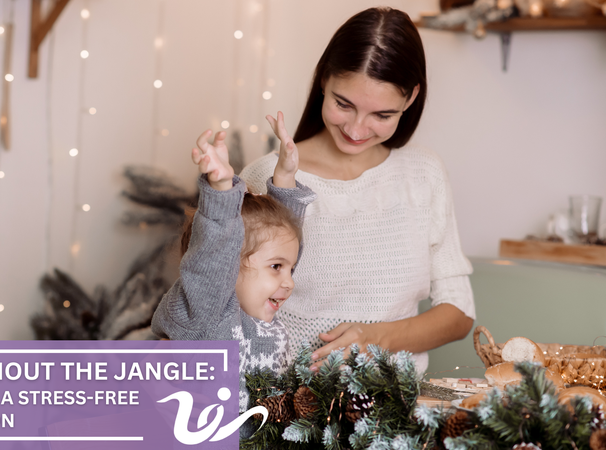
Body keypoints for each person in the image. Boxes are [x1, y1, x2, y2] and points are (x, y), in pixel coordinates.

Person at [240, 7, 475, 376]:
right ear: (323, 81)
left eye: (382, 115)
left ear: (411, 98)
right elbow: (225, 307)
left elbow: (459, 314)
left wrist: (375, 337)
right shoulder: (268, 177)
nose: (356, 129)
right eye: (343, 104)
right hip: (283, 412)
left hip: (395, 418)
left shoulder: (423, 173)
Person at [151, 122, 316, 411]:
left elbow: (276, 242)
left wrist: (286, 179)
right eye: (277, 267)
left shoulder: (263, 322)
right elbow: (213, 260)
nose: (289, 281)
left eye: (290, 269)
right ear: (227, 267)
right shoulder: (208, 317)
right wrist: (221, 191)